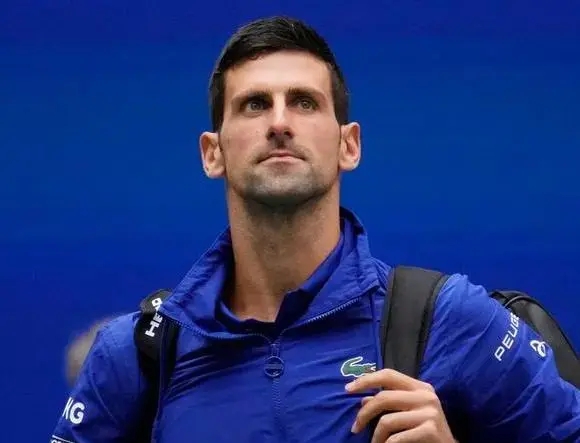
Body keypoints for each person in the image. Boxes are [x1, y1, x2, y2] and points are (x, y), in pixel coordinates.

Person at [51, 16, 580, 443]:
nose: (280, 122)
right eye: (255, 104)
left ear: (349, 145)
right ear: (213, 153)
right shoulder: (137, 356)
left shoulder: (449, 319)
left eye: (304, 102)